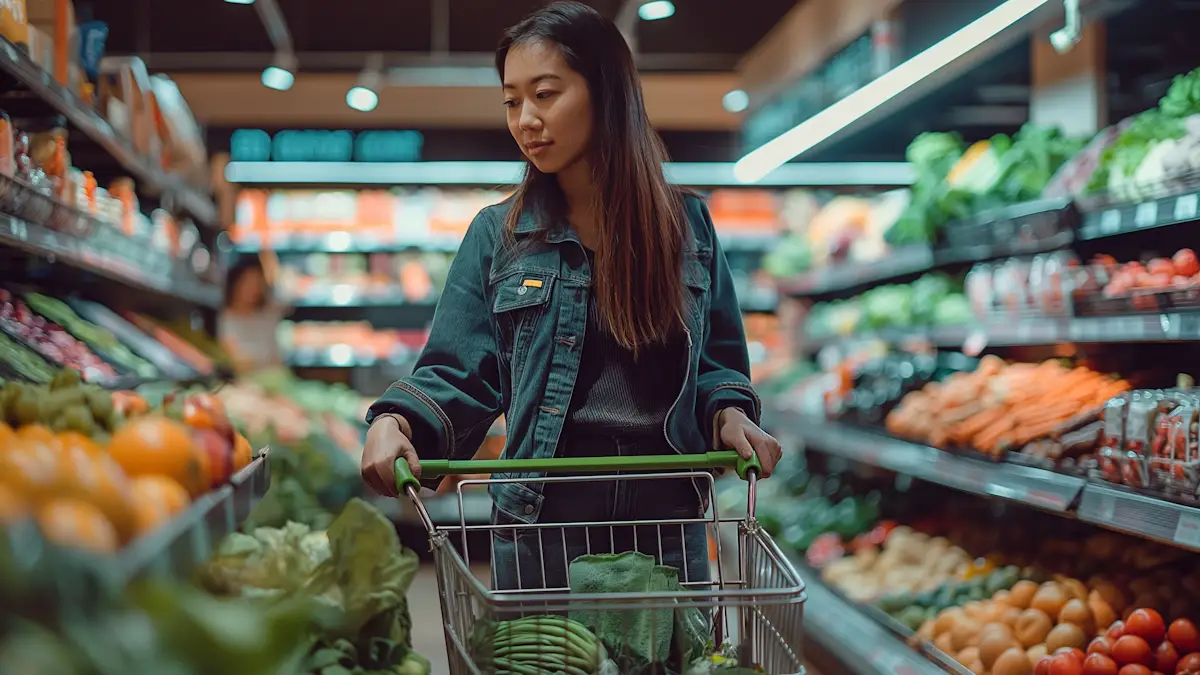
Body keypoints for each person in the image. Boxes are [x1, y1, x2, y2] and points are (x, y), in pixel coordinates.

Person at [360, 1, 781, 591]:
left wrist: (730, 412)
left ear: (605, 91)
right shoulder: (499, 236)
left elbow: (716, 366)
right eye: (512, 101)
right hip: (542, 527)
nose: (526, 119)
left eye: (546, 94)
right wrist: (395, 419)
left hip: (664, 526)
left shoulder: (686, 227)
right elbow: (458, 371)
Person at [218, 256, 288, 374]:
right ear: (235, 284)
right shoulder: (226, 318)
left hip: (276, 379)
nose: (253, 289)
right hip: (246, 383)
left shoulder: (270, 312)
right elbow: (235, 360)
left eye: (257, 283)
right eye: (248, 282)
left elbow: (286, 291)